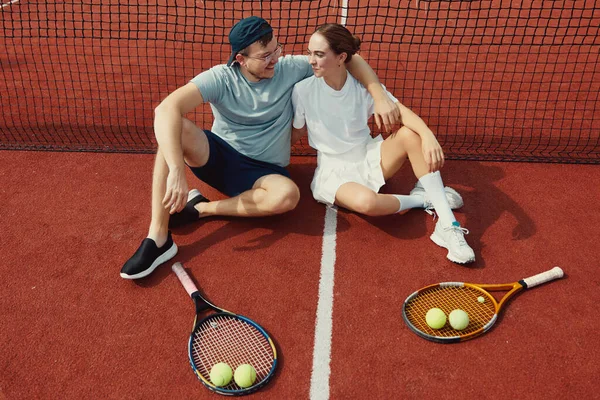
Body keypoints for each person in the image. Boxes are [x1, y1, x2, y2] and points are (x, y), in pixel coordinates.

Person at [120, 17, 401, 279]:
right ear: (240, 59)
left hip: (265, 172)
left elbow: (348, 58)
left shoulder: (288, 68)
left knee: (288, 196)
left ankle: (204, 209)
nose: (274, 59)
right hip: (219, 157)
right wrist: (177, 171)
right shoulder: (221, 78)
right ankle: (158, 237)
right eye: (265, 56)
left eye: (276, 49)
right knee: (174, 126)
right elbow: (166, 108)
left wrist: (378, 95)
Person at [291, 23, 475, 264]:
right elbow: (295, 133)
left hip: (368, 155)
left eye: (319, 54)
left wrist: (428, 136)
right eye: (309, 52)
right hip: (333, 170)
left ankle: (448, 225)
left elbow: (403, 113)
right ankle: (426, 198)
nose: (311, 60)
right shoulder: (302, 90)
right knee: (367, 202)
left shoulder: (362, 89)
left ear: (341, 57)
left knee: (411, 134)